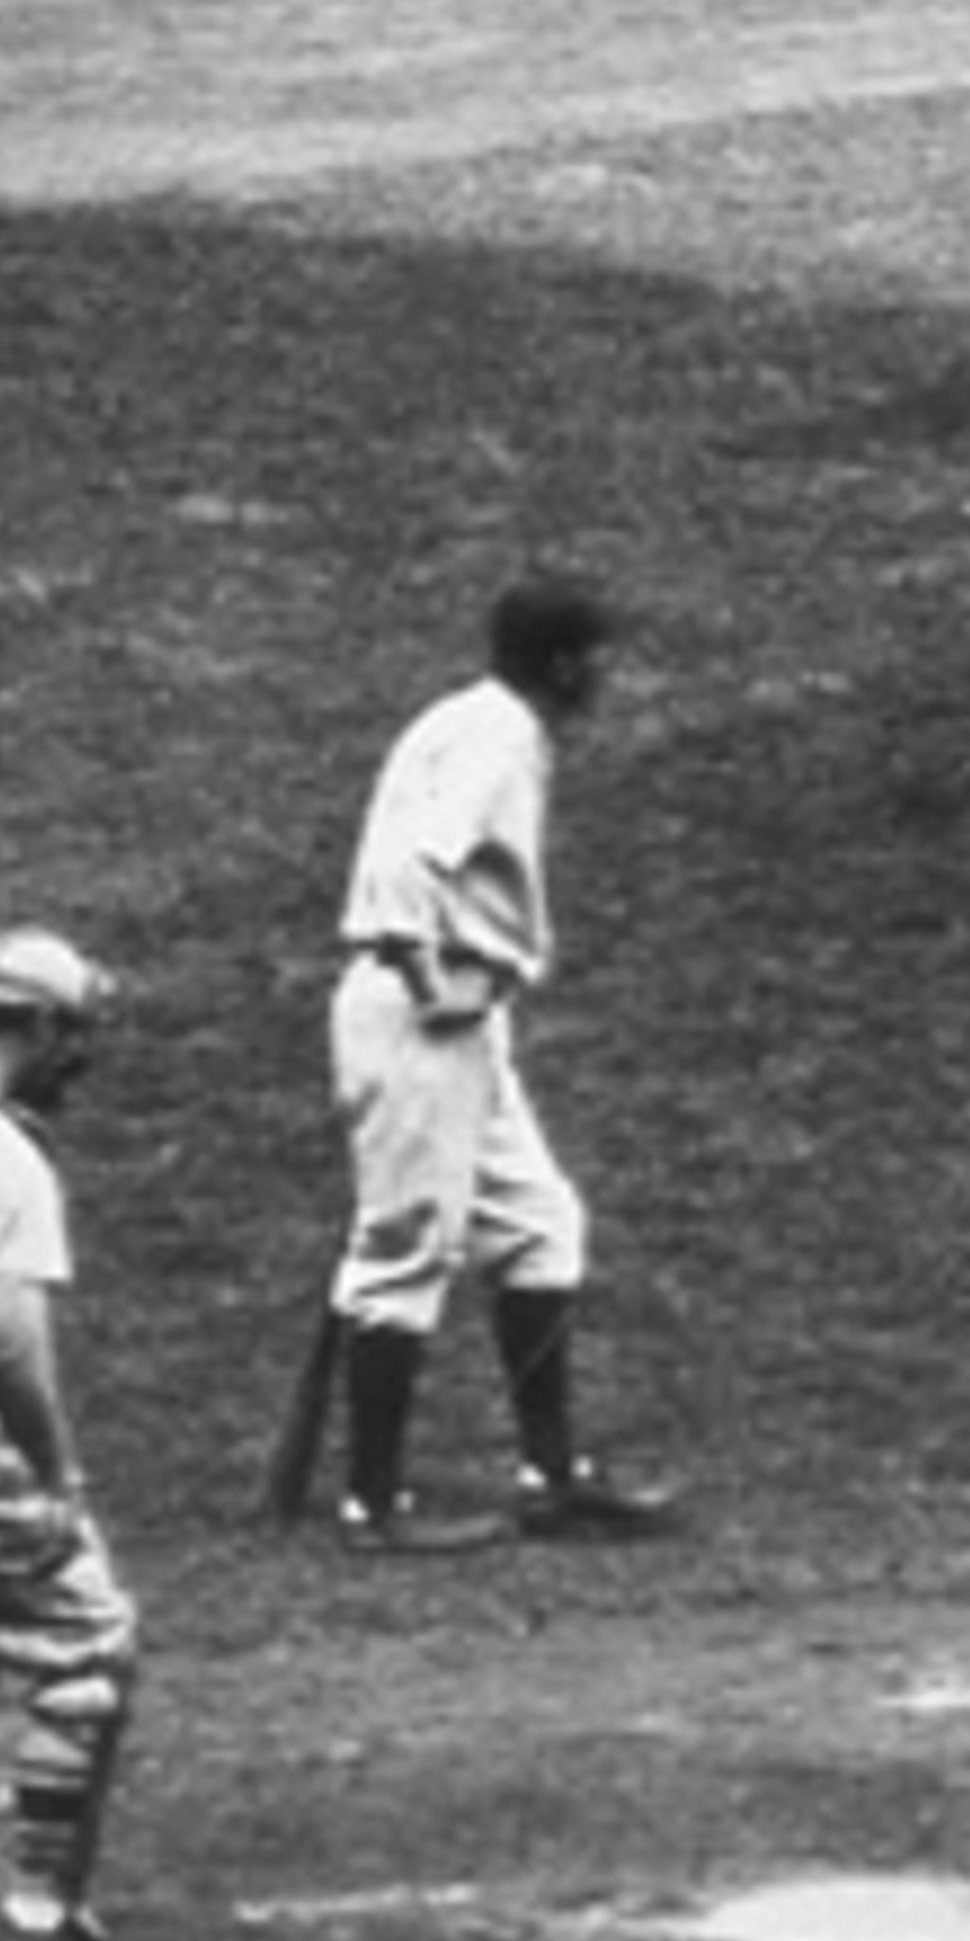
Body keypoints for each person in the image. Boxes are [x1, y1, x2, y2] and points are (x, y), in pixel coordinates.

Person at [322, 575, 677, 1553]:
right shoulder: (494, 738)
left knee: (540, 1223)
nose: (606, 674)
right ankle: (373, 1506)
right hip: (419, 1019)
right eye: (596, 657)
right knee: (406, 1250)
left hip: (461, 1022)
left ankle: (550, 1476)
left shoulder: (476, 722)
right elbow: (408, 866)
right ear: (562, 663)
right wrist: (425, 967)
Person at [0, 926, 172, 1941]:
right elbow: (4, 1342)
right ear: (40, 1027)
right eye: (73, 1033)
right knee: (88, 1651)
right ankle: (40, 1911)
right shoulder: (0, 1155)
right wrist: (54, 1471)